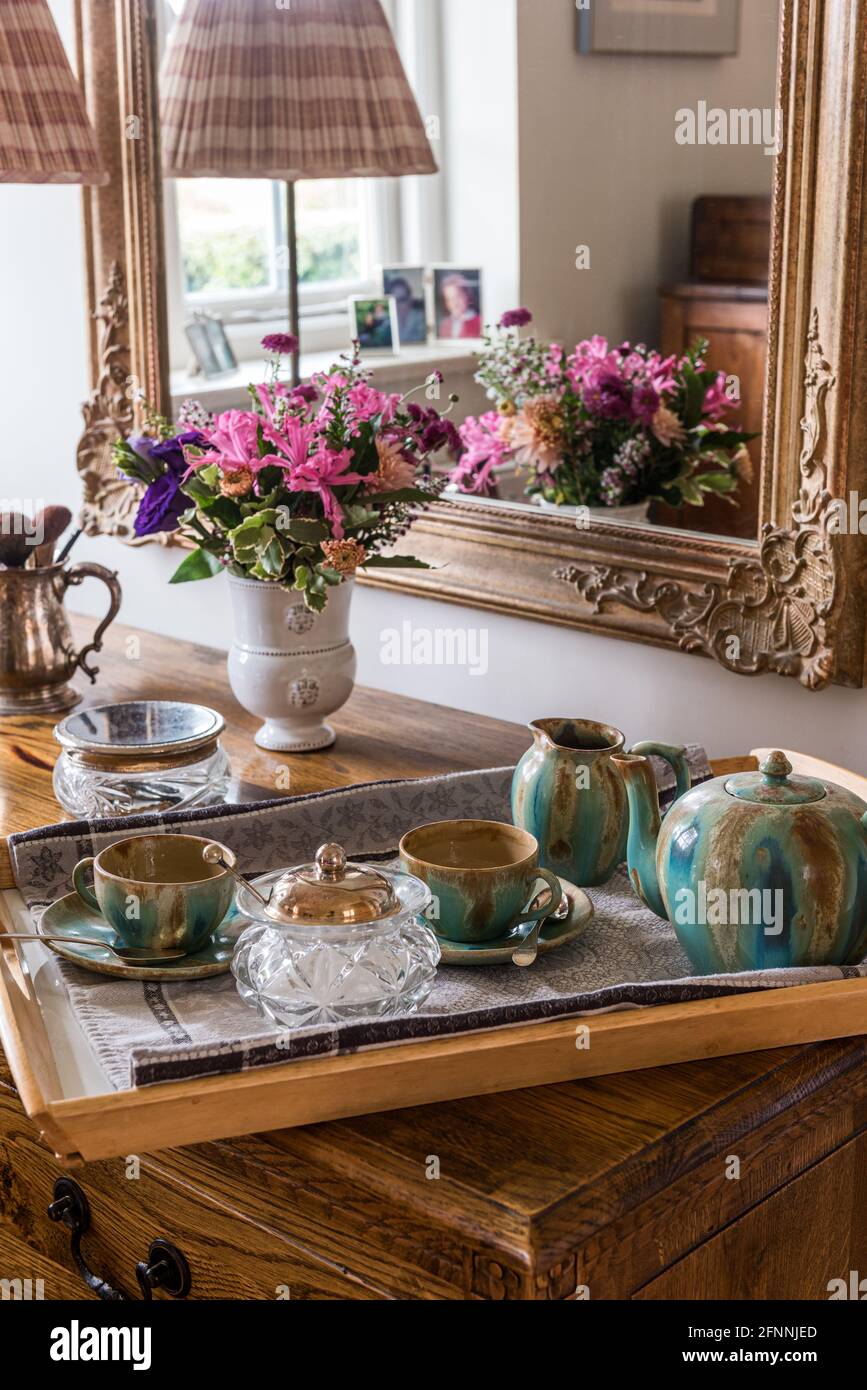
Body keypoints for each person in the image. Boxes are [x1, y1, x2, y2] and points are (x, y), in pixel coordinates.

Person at [438, 273, 482, 339]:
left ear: (468, 296)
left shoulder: (479, 321)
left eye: (458, 297)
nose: (454, 303)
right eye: (449, 299)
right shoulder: (445, 324)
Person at [386, 275, 426, 343]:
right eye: (395, 301)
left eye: (402, 300)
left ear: (410, 298)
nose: (399, 305)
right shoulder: (387, 320)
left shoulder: (421, 317)